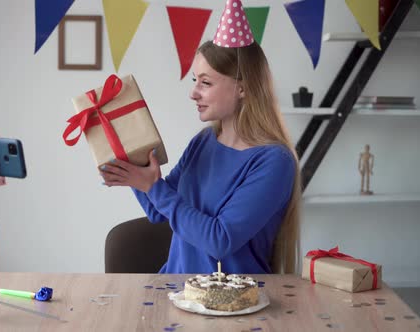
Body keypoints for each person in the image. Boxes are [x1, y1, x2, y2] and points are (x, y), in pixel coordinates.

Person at [100, 1, 301, 275]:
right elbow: (159, 211)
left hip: (230, 303)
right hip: (176, 289)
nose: (193, 93)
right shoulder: (204, 141)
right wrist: (135, 169)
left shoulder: (274, 162)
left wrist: (153, 187)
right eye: (195, 81)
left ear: (242, 88)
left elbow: (220, 240)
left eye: (205, 83)